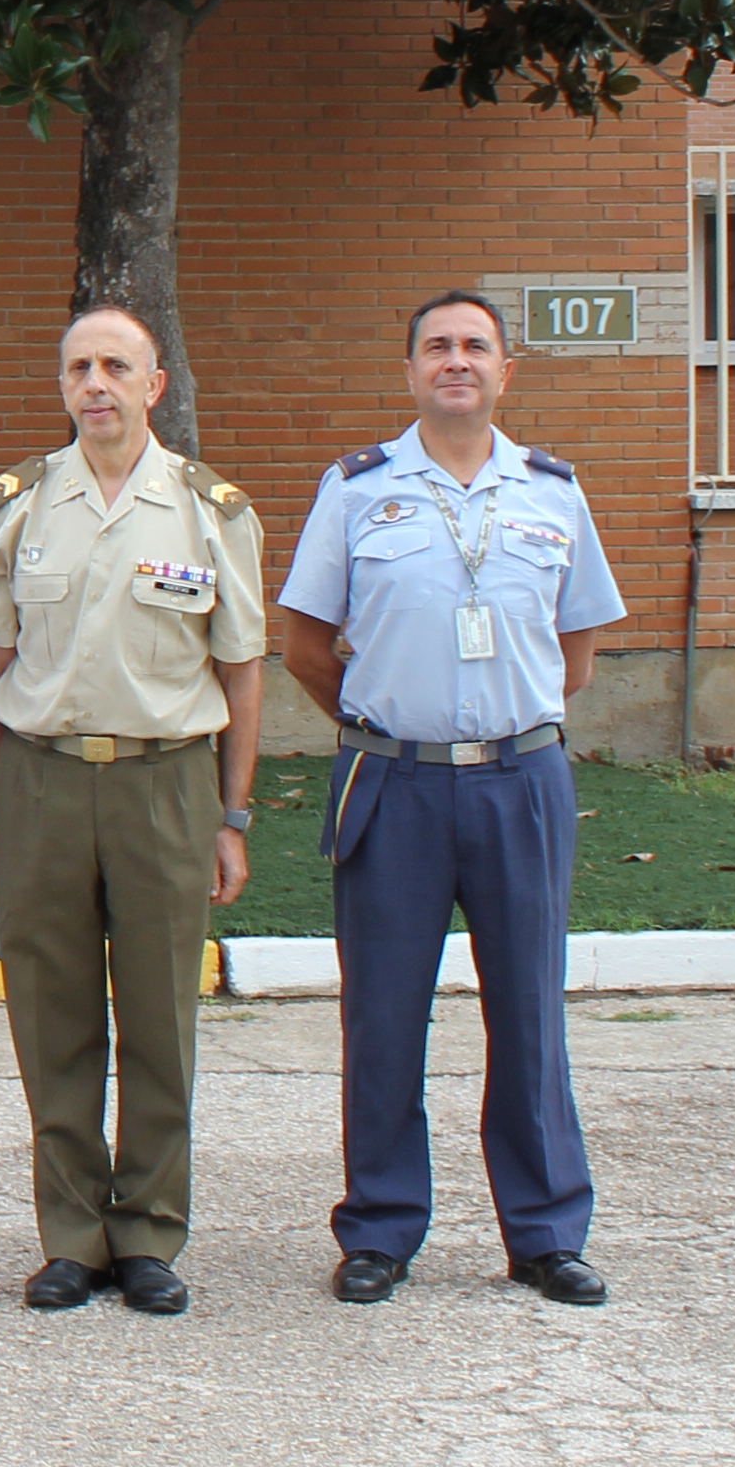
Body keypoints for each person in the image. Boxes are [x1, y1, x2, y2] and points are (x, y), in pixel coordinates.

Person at [274, 289, 630, 1309]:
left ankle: (546, 1231)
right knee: (383, 1016)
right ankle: (381, 1228)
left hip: (521, 780)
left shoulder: (553, 493)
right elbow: (305, 642)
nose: (457, 361)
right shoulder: (355, 491)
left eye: (476, 346)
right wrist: (388, 721)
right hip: (394, 782)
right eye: (437, 346)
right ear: (411, 370)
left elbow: (577, 653)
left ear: (505, 371)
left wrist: (500, 722)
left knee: (529, 1012)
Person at [0, 305, 263, 1316]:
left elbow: (242, 669)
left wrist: (233, 815)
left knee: (158, 1021)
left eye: (115, 367)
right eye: (78, 368)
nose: (95, 384)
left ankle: (147, 1234)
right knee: (49, 1020)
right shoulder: (15, 508)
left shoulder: (209, 511)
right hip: (44, 780)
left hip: (165, 783)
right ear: (62, 386)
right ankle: (71, 1237)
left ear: (154, 386)